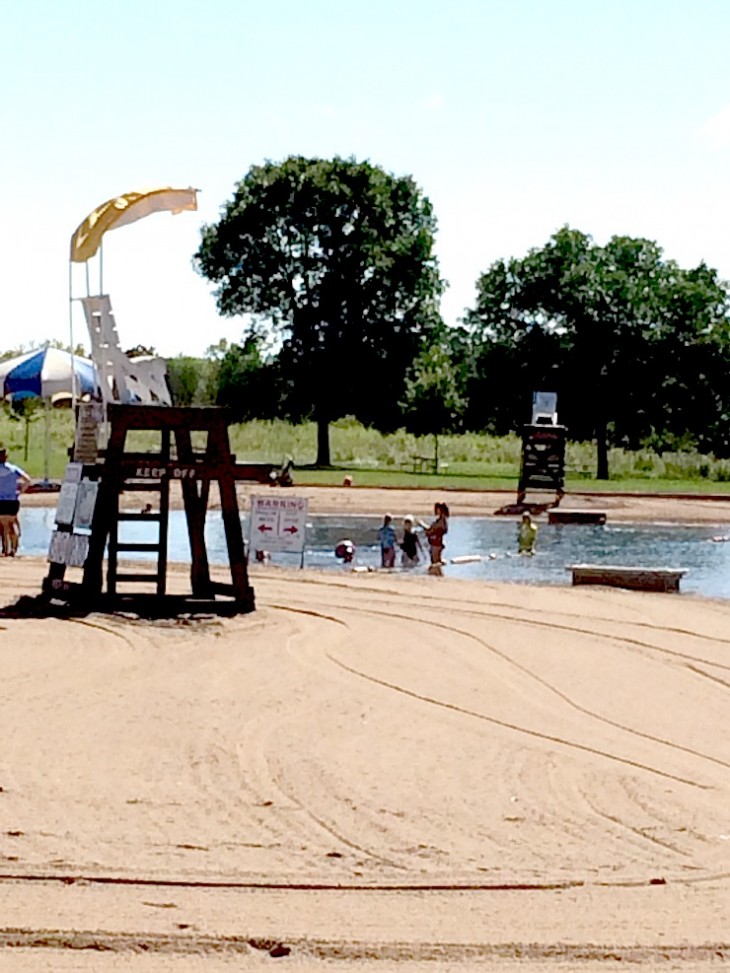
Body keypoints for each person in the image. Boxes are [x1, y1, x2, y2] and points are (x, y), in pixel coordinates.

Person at [0, 446, 31, 557]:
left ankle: (5, 548)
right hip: (12, 501)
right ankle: (13, 548)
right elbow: (27, 479)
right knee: (11, 524)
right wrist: (20, 491)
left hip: (1, 502)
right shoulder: (13, 469)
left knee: (2, 526)